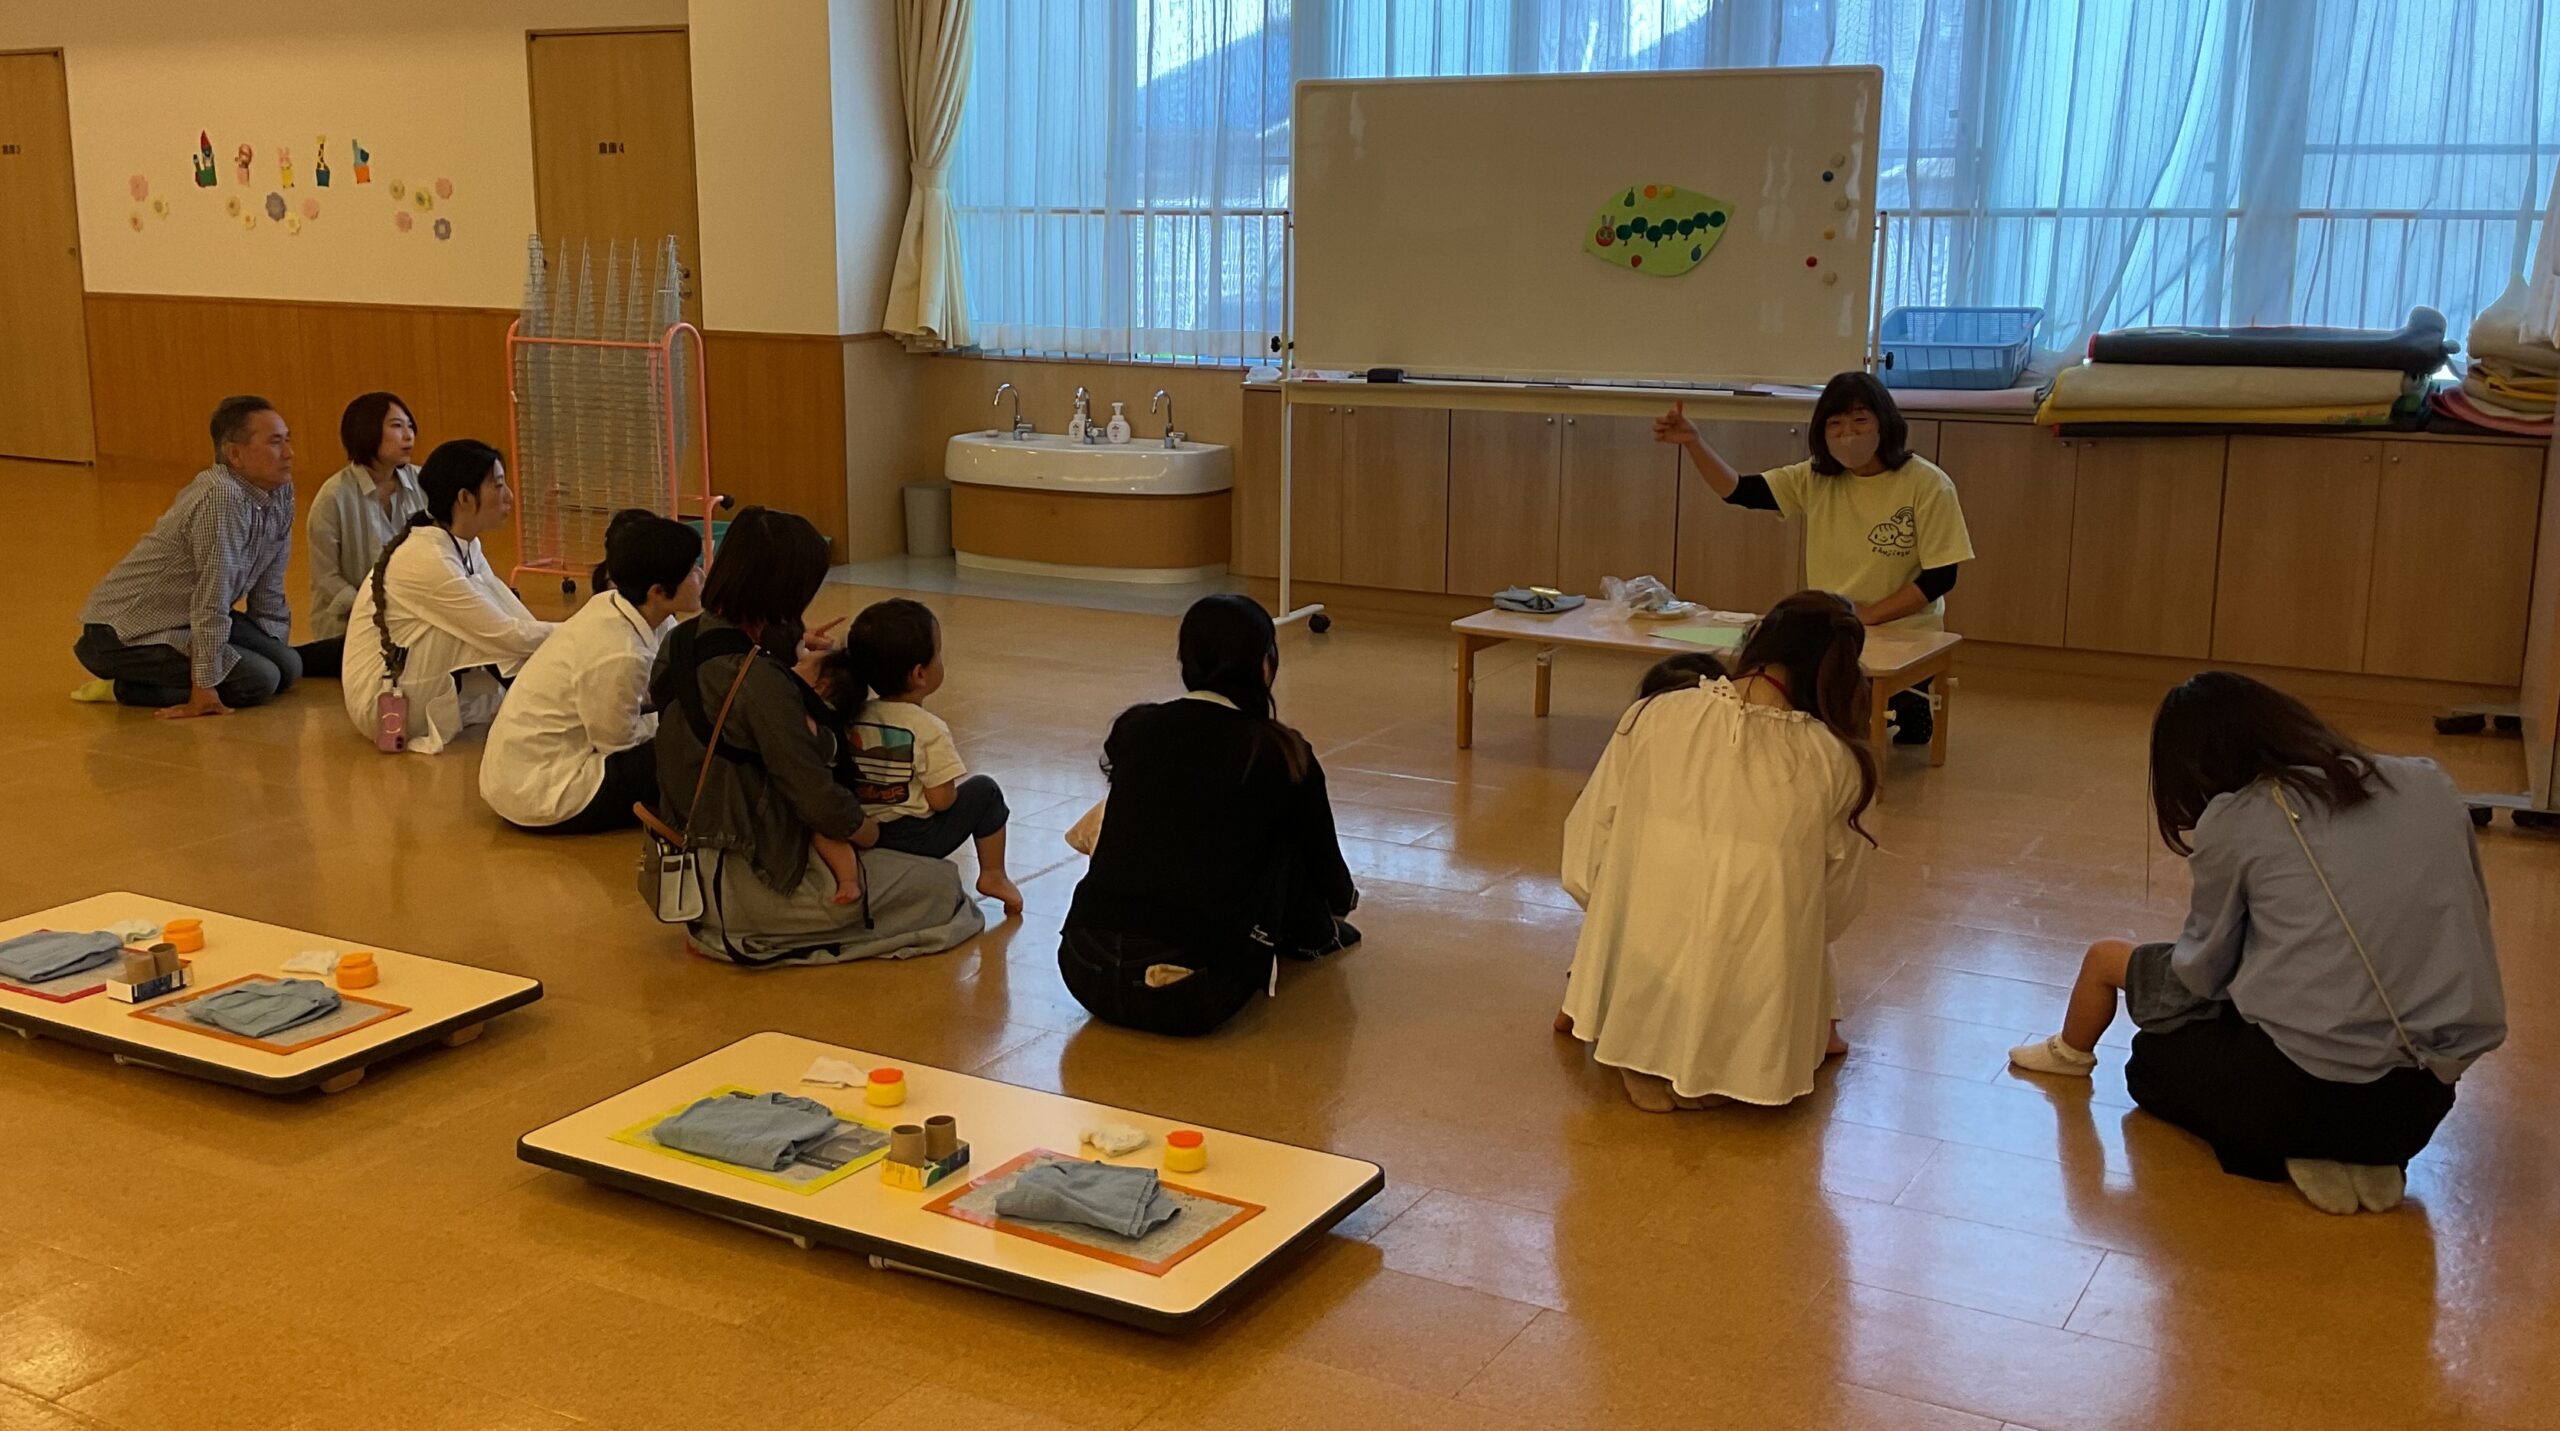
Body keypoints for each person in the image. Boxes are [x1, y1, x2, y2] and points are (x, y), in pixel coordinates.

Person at [2008, 673, 2504, 1214]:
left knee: (2150, 1062)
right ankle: (2365, 1157)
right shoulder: (2429, 783)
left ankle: (2289, 1153)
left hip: (2291, 1095)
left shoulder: (2240, 815)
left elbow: (2203, 969)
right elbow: (2471, 911)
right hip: (2418, 1105)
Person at [1559, 591, 1874, 1112]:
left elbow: (1589, 835)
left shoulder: (1655, 713)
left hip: (1645, 942)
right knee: (1780, 916)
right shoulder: (1837, 758)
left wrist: (1609, 913)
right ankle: (1726, 1061)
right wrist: (1798, 946)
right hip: (1756, 959)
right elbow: (1838, 900)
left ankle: (1642, 1049)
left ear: (1758, 640)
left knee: (1657, 902)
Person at [649, 506, 983, 965]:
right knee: (940, 886)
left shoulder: (680, 640)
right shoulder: (759, 681)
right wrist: (868, 831)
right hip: (748, 874)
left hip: (688, 857)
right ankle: (751, 924)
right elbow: (813, 794)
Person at [1059, 594, 1360, 1036]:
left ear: (1186, 661)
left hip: (1084, 968)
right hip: (1193, 990)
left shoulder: (1136, 728)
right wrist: (1337, 908)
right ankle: (1310, 935)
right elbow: (1322, 863)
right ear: (1265, 664)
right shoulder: (1279, 751)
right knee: (1280, 832)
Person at [1656, 371, 1974, 744]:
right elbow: (1740, 491)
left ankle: (1910, 700)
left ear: (1884, 423)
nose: (1848, 434)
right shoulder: (1816, 477)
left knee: (1857, 714)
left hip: (1903, 628)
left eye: (1859, 420)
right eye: (1835, 424)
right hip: (1831, 626)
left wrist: (1869, 615)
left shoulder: (1929, 484)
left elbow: (1941, 577)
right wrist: (1694, 443)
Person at [73, 395, 301, 718]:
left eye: (288, 440)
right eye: (275, 443)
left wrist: (271, 647)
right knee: (258, 680)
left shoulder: (279, 491)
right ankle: (124, 688)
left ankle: (229, 668)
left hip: (185, 618)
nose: (289, 453)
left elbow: (270, 587)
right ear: (235, 454)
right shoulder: (221, 495)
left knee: (288, 667)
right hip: (123, 634)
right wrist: (205, 686)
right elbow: (212, 596)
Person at [480, 510, 702, 833]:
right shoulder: (620, 653)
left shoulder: (625, 605)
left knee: (685, 732)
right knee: (687, 750)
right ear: (657, 591)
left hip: (524, 771)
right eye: (692, 571)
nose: (701, 576)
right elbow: (618, 744)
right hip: (543, 789)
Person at [340, 439, 554, 754]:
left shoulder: (462, 544)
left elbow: (507, 616)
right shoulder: (427, 557)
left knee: (493, 608)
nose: (509, 496)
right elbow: (505, 634)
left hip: (410, 679)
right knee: (483, 634)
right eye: (497, 486)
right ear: (465, 498)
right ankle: (554, 708)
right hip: (382, 701)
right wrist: (579, 632)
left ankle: (554, 701)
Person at [813, 599, 1025, 915]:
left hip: (861, 831)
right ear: (919, 674)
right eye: (938, 654)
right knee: (986, 791)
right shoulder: (927, 728)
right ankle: (993, 875)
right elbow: (941, 801)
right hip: (915, 839)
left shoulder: (851, 714)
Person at [298, 391, 425, 678]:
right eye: (397, 426)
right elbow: (327, 579)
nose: (408, 435)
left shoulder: (422, 483)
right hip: (351, 623)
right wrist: (373, 612)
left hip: (410, 616)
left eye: (410, 426)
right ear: (367, 431)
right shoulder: (333, 496)